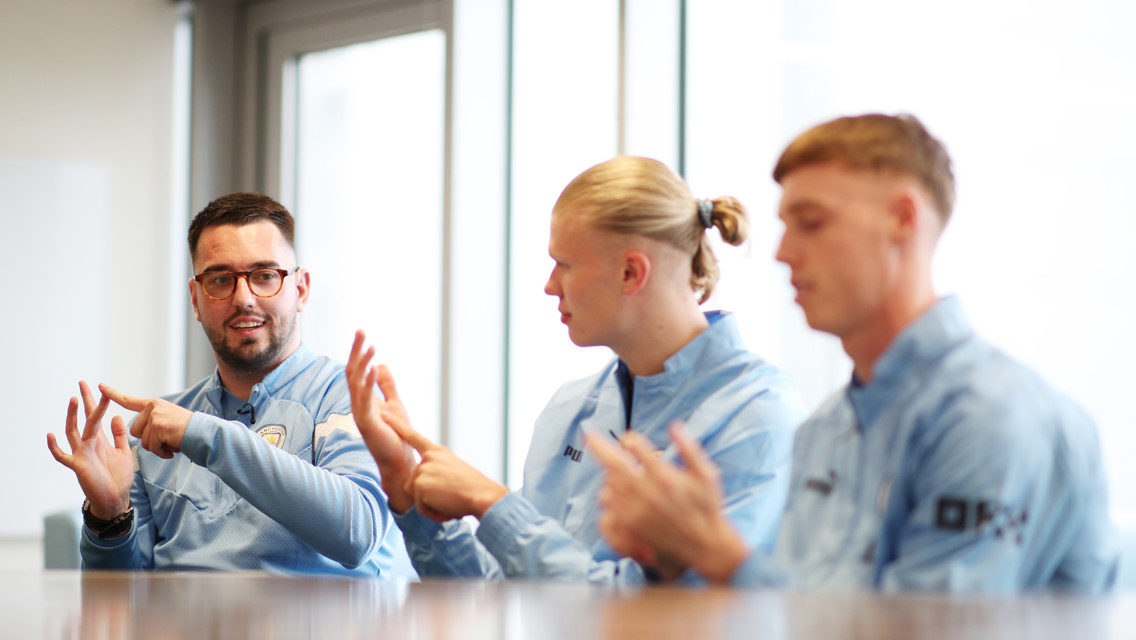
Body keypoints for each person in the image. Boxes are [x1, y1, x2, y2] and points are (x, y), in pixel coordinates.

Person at [588, 114, 1119, 593]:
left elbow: (929, 633)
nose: (782, 253)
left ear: (902, 219)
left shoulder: (991, 418)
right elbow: (806, 614)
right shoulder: (825, 431)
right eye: (784, 226)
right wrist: (675, 562)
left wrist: (718, 555)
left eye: (812, 222)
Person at [346, 156, 807, 585]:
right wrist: (402, 481)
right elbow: (504, 592)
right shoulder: (570, 407)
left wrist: (491, 502)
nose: (549, 286)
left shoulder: (760, 416)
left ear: (631, 273)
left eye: (563, 265)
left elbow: (662, 612)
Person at [47, 192, 405, 575]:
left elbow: (358, 532)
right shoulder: (153, 431)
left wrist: (203, 434)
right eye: (220, 280)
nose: (243, 298)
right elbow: (120, 596)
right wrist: (110, 516)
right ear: (195, 300)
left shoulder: (349, 396)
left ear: (300, 289)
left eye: (265, 276)